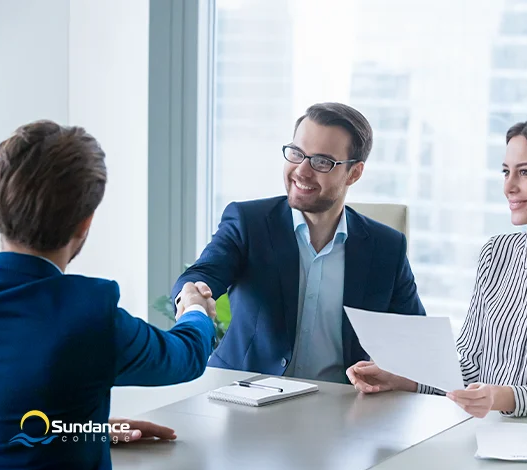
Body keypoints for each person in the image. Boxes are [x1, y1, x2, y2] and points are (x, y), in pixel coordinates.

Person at [0, 121, 217, 470]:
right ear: (84, 224)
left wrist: (83, 431)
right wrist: (195, 308)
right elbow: (186, 356)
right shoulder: (89, 315)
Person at [347, 117, 527, 418]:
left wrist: (504, 397)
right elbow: (470, 361)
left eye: (525, 172)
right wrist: (405, 378)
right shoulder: (495, 253)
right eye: (506, 172)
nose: (509, 186)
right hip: (491, 429)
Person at [172, 102, 425, 383]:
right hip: (244, 394)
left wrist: (393, 371)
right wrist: (192, 295)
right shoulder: (249, 222)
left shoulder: (386, 247)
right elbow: (202, 274)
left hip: (340, 408)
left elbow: (417, 344)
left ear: (354, 173)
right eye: (296, 153)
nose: (301, 171)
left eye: (321, 162)